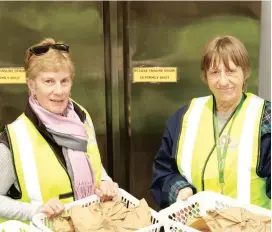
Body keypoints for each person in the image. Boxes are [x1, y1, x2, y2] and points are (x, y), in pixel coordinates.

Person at [0, 38, 119, 223]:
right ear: (32, 85)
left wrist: (104, 180)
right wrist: (36, 210)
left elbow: (93, 162)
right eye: (49, 81)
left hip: (89, 224)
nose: (59, 91)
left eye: (64, 81)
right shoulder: (14, 139)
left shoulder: (82, 118)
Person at [150, 35, 271, 210]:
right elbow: (163, 171)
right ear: (205, 77)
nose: (223, 81)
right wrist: (178, 190)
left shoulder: (265, 118)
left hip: (249, 226)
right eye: (214, 72)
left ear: (245, 73)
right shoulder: (185, 116)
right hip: (196, 224)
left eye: (230, 71)